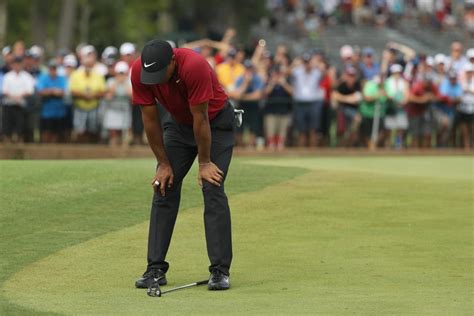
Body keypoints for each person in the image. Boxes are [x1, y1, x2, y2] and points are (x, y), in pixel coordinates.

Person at [131, 40, 234, 291]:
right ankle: (155, 268)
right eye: (149, 75)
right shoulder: (138, 72)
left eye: (159, 74)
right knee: (163, 186)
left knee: (212, 187)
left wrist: (205, 162)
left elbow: (201, 119)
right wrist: (163, 163)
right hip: (177, 126)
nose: (153, 80)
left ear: (173, 62)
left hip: (214, 124)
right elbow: (150, 119)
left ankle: (220, 271)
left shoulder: (194, 66)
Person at [69, 54, 106, 143]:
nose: (88, 66)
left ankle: (92, 150)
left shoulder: (98, 75)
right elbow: (73, 91)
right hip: (79, 107)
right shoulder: (76, 74)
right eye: (87, 64)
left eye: (90, 64)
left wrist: (92, 95)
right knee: (79, 130)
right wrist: (84, 95)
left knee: (93, 130)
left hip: (94, 107)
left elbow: (102, 91)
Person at [229, 59, 265, 147]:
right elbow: (236, 95)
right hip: (241, 106)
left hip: (253, 107)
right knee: (239, 128)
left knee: (253, 128)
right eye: (247, 68)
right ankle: (241, 148)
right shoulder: (240, 78)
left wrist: (243, 97)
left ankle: (250, 148)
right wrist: (246, 83)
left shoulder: (257, 78)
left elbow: (257, 96)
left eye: (250, 68)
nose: (249, 71)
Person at [291, 53, 324, 147]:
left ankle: (313, 152)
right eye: (305, 62)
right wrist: (295, 63)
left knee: (313, 129)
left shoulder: (316, 72)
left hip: (313, 103)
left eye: (308, 62)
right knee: (301, 130)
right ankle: (302, 153)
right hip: (300, 103)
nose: (307, 65)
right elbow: (286, 71)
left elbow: (325, 71)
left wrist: (317, 62)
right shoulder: (297, 71)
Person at [1, 56, 35, 143]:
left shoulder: (27, 76)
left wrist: (19, 96)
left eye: (18, 64)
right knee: (7, 126)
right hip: (8, 104)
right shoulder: (7, 76)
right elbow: (4, 91)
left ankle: (19, 147)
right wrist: (13, 97)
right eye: (15, 64)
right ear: (12, 65)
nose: (17, 66)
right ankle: (7, 146)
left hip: (21, 105)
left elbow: (30, 91)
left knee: (20, 127)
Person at [36, 60, 68, 143]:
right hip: (46, 111)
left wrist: (49, 91)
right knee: (46, 131)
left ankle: (54, 151)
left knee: (56, 132)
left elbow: (62, 92)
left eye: (54, 68)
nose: (53, 70)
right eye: (51, 68)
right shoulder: (43, 77)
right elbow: (41, 91)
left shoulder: (61, 78)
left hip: (58, 111)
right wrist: (54, 91)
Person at [263, 64, 293, 150]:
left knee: (282, 135)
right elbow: (265, 93)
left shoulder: (287, 81)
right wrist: (272, 83)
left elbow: (292, 92)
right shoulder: (269, 81)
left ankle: (280, 151)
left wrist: (284, 84)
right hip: (270, 111)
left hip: (284, 111)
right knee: (271, 133)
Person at [102, 61, 132, 145]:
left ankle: (123, 147)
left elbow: (131, 95)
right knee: (112, 129)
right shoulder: (111, 81)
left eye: (122, 72)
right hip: (112, 107)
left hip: (124, 108)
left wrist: (124, 83)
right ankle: (113, 147)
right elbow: (109, 93)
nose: (121, 74)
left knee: (125, 129)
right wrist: (118, 82)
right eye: (119, 72)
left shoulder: (129, 82)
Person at [332, 66, 363, 146]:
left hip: (353, 110)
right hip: (342, 110)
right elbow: (334, 96)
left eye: (352, 76)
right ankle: (341, 146)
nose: (351, 78)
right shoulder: (341, 85)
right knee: (341, 130)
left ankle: (350, 146)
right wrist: (349, 99)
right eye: (349, 75)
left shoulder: (357, 85)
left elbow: (357, 99)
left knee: (356, 121)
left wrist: (342, 98)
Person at [406, 74, 439, 148]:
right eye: (427, 82)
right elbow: (409, 97)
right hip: (414, 112)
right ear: (423, 81)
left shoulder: (432, 86)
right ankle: (414, 152)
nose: (428, 84)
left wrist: (431, 97)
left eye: (429, 82)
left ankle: (424, 153)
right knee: (415, 134)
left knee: (426, 133)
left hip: (425, 113)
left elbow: (438, 97)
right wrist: (422, 100)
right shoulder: (417, 86)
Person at [384, 64, 409, 148]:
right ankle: (388, 146)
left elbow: (406, 94)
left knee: (400, 128)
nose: (397, 74)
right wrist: (392, 99)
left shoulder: (403, 82)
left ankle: (398, 145)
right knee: (389, 129)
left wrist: (403, 101)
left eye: (398, 72)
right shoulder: (387, 82)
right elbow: (385, 93)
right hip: (390, 108)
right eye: (395, 73)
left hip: (400, 108)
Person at [358, 76, 387, 148]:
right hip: (367, 113)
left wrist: (384, 94)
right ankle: (369, 147)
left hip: (379, 114)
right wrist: (376, 96)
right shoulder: (369, 85)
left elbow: (386, 98)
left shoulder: (384, 87)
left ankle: (374, 146)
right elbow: (366, 98)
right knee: (366, 133)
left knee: (381, 132)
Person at [435, 70, 462, 147]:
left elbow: (459, 98)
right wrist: (452, 99)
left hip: (451, 110)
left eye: (454, 78)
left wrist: (451, 99)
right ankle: (439, 144)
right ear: (448, 78)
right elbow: (443, 98)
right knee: (443, 126)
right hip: (441, 109)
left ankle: (443, 145)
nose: (453, 80)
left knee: (448, 128)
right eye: (451, 78)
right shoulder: (445, 84)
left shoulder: (458, 84)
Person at [456, 63, 474, 149]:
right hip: (463, 108)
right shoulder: (461, 82)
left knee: (471, 129)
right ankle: (466, 148)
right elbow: (458, 95)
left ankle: (471, 147)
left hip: (472, 108)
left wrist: (469, 91)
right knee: (464, 131)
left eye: (470, 72)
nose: (469, 74)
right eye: (467, 72)